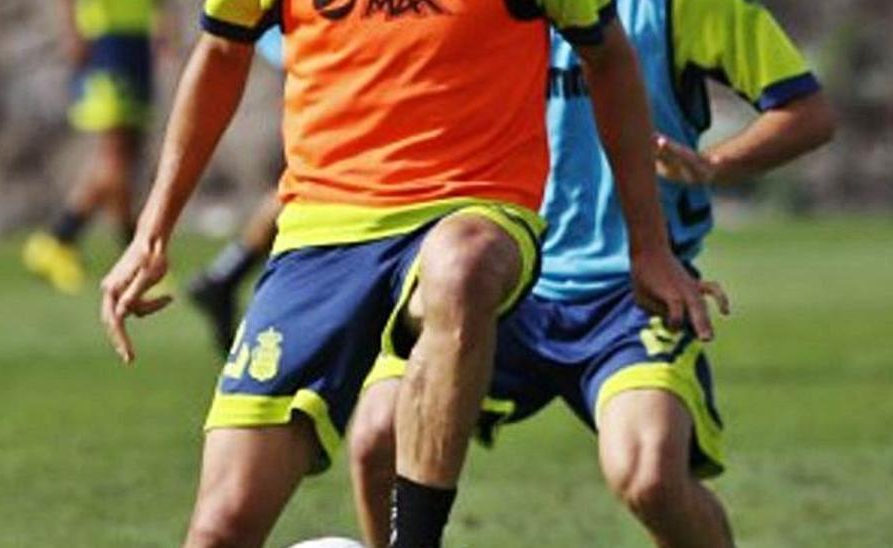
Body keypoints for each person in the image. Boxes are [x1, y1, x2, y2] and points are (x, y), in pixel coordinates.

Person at [97, 1, 714, 547]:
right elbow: (222, 52)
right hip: (319, 238)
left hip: (474, 207)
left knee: (461, 267)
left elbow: (607, 59)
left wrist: (649, 247)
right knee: (220, 528)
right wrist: (152, 232)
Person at [344, 0, 837, 546]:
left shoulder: (681, 9)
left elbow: (808, 113)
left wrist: (715, 165)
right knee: (375, 440)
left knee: (648, 476)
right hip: (495, 283)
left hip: (628, 298)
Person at [23, 0, 167, 294]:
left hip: (137, 38)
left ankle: (60, 241)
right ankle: (131, 258)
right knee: (115, 156)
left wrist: (161, 24)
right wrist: (72, 30)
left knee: (125, 159)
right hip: (105, 38)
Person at [188, 28, 286, 355]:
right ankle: (225, 277)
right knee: (316, 178)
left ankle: (225, 276)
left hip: (316, 39)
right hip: (317, 39)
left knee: (311, 180)